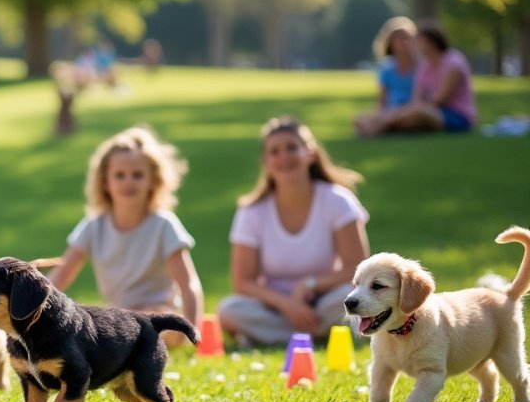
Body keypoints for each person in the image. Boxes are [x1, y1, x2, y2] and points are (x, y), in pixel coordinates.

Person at [216, 116, 370, 347]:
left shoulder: (338, 201)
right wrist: (288, 305)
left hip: (326, 300)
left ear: (311, 154)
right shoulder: (252, 211)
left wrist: (310, 285)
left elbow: (359, 269)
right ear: (266, 162)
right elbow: (243, 282)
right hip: (275, 308)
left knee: (349, 298)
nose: (284, 157)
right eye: (274, 151)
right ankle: (318, 335)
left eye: (291, 148)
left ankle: (276, 336)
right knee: (229, 310)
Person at [46, 126, 203, 348]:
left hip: (159, 316)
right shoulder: (93, 226)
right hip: (117, 317)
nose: (128, 181)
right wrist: (36, 307)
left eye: (137, 175)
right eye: (119, 175)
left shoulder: (163, 224)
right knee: (83, 324)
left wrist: (193, 332)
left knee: (141, 332)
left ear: (153, 180)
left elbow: (189, 284)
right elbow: (62, 274)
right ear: (105, 182)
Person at [360, 21, 476, 136]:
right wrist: (405, 111)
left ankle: (379, 126)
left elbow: (438, 101)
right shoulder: (424, 65)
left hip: (456, 116)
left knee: (418, 113)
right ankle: (380, 125)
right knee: (411, 117)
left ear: (430, 42)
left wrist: (398, 113)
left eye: (418, 41)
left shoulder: (453, 63)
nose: (414, 45)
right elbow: (416, 98)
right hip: (431, 112)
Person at [353, 16, 418, 137]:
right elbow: (381, 101)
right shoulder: (386, 67)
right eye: (399, 38)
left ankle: (380, 129)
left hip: (411, 111)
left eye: (407, 38)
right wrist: (380, 115)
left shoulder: (421, 66)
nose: (404, 42)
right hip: (390, 111)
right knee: (359, 118)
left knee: (413, 118)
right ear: (391, 42)